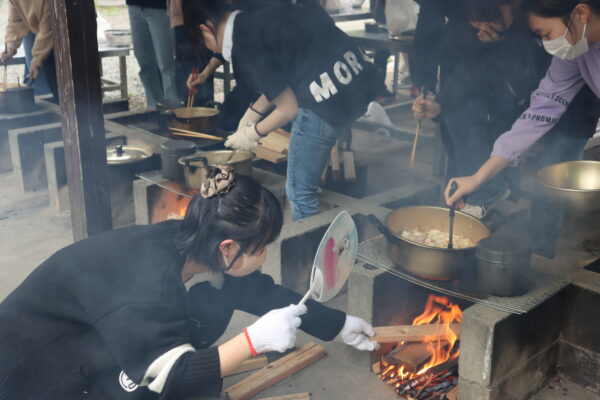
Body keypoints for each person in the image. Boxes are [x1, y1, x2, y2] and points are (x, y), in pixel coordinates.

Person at [0, 167, 375, 399]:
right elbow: (173, 377)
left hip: (82, 339)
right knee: (160, 391)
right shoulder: (147, 288)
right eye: (262, 248)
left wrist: (338, 324)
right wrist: (251, 341)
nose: (263, 256)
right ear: (229, 247)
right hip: (30, 367)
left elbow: (261, 292)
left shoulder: (196, 246)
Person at [185, 0, 384, 221]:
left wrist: (252, 134)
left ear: (205, 28)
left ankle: (309, 251)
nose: (209, 48)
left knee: (299, 191)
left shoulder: (245, 46)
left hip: (324, 102)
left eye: (203, 42)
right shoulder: (255, 17)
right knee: (306, 180)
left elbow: (288, 108)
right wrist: (254, 112)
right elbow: (280, 81)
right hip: (356, 82)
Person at [413, 0, 600, 220]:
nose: (546, 44)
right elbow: (541, 111)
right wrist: (478, 178)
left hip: (578, 119)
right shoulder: (573, 52)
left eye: (546, 34)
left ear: (581, 13)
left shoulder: (573, 42)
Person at [0, 0, 58, 101]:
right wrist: (10, 47)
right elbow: (15, 19)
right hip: (36, 29)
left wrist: (36, 60)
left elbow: (47, 30)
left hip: (60, 32)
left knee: (54, 77)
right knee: (35, 75)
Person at [126, 0, 179, 108]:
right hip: (134, 6)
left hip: (160, 7)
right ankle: (154, 109)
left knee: (166, 64)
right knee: (144, 63)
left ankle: (174, 111)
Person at [168, 0, 214, 107]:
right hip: (181, 16)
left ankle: (204, 111)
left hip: (202, 13)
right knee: (182, 67)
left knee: (201, 65)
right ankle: (184, 109)